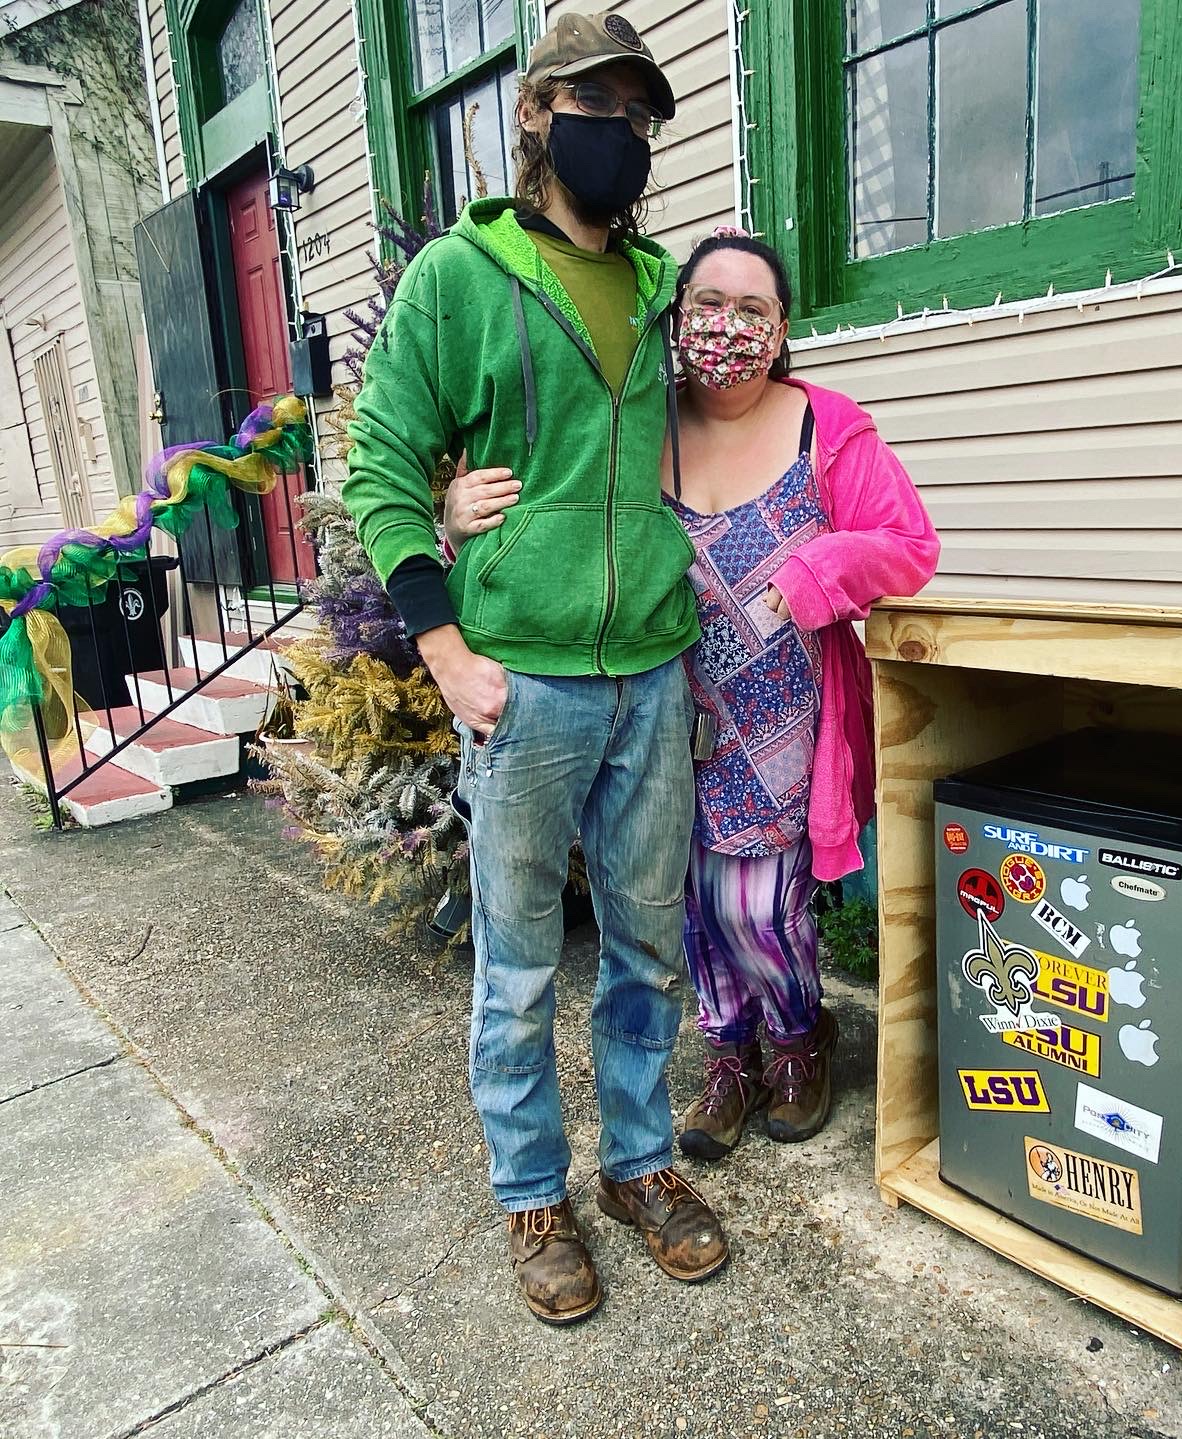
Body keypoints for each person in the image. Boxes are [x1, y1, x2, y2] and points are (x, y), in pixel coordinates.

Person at [343, 12, 728, 1328]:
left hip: (655, 672)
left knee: (647, 950)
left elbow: (743, 410)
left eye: (641, 114)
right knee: (514, 967)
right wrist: (445, 644)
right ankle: (530, 1189)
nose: (620, 133)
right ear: (537, 113)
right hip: (527, 681)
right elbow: (382, 462)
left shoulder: (671, 285)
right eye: (598, 105)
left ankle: (637, 1164)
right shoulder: (460, 276)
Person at [447, 229, 938, 1162]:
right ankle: (727, 1057)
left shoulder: (826, 423)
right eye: (708, 306)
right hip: (660, 711)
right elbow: (551, 504)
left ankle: (798, 1038)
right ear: (677, 322)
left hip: (787, 716)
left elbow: (908, 544)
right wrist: (453, 508)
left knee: (762, 900)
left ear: (782, 326)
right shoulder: (644, 423)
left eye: (752, 310)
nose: (728, 328)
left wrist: (816, 567)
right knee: (681, 905)